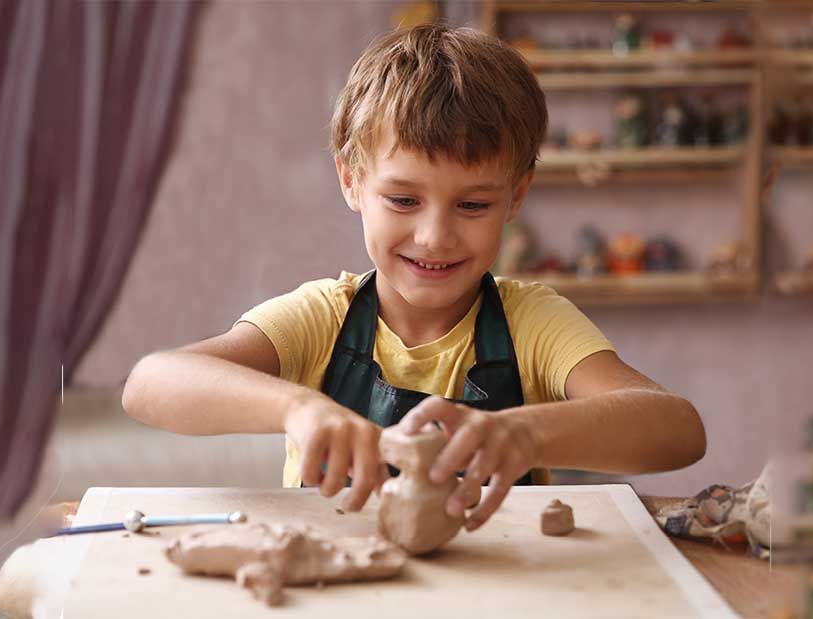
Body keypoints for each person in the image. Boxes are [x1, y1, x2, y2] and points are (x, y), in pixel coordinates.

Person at [122, 23, 707, 531]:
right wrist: (299, 409)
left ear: (516, 196)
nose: (435, 236)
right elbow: (151, 383)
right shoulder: (322, 318)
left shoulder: (532, 323)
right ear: (351, 181)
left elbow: (677, 429)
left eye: (473, 206)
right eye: (403, 200)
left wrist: (526, 434)